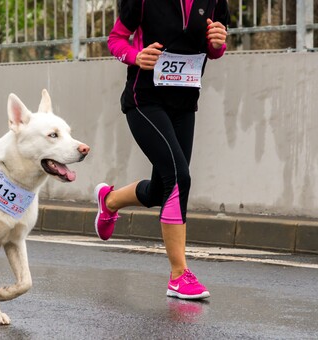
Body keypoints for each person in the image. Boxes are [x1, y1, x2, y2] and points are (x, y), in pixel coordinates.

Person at [95, 0, 230, 300]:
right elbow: (115, 40)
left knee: (162, 189)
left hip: (184, 104)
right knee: (179, 178)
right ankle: (179, 275)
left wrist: (218, 44)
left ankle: (110, 200)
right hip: (144, 101)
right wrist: (135, 56)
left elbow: (214, 48)